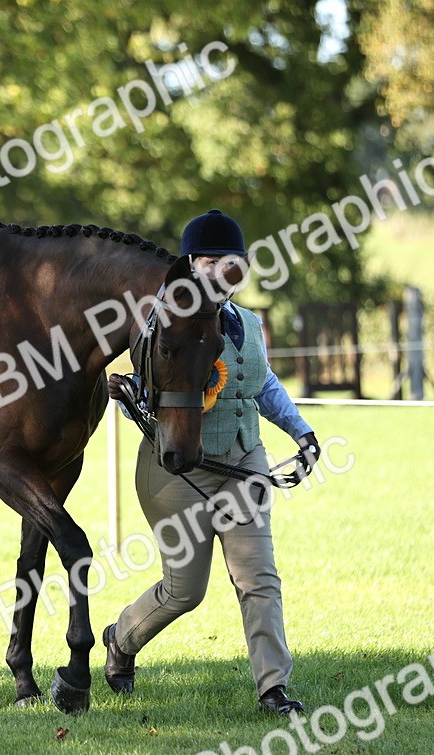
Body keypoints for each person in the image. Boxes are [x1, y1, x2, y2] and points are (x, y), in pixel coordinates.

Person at [103, 209, 319, 715]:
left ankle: (273, 690)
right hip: (176, 468)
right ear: (191, 267)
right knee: (185, 591)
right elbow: (150, 377)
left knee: (258, 577)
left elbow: (262, 385)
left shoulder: (249, 323)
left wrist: (302, 431)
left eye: (233, 263)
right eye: (211, 262)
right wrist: (131, 391)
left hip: (245, 462)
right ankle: (120, 640)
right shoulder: (158, 322)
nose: (223, 272)